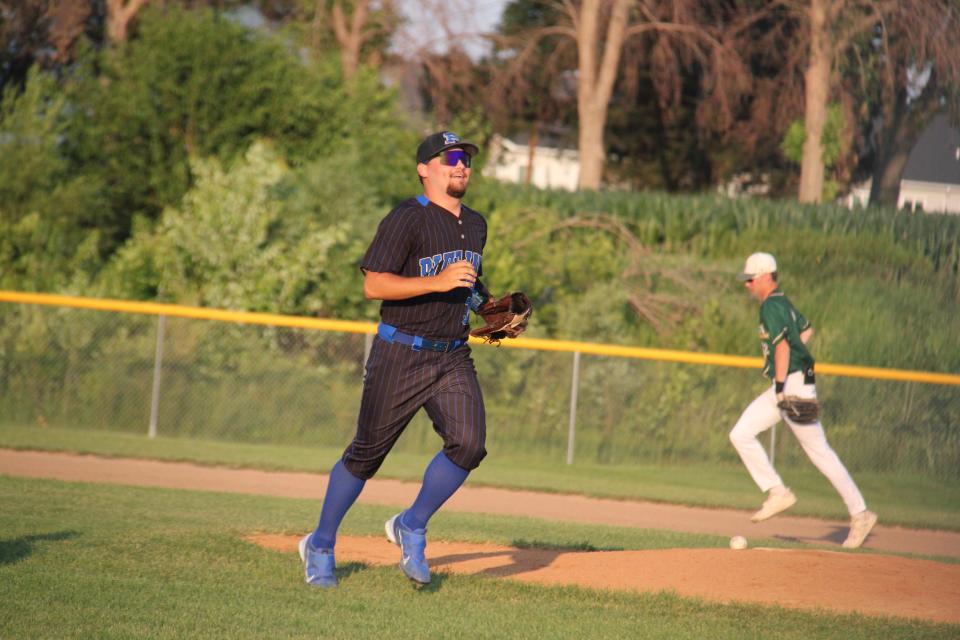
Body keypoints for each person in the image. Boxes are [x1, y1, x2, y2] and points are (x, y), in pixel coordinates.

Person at [299, 131, 496, 587]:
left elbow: (465, 284)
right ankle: (321, 543)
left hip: (452, 356)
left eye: (465, 157)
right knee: (366, 456)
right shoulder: (406, 218)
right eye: (450, 156)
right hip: (401, 352)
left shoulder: (477, 223)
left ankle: (411, 524)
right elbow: (375, 286)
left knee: (469, 445)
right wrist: (437, 283)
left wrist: (488, 308)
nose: (461, 163)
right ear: (424, 168)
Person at [729, 252, 878, 549]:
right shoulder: (782, 302)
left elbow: (783, 346)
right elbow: (806, 330)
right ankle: (777, 492)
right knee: (740, 433)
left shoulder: (772, 306)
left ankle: (860, 514)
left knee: (819, 451)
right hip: (791, 380)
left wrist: (783, 384)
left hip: (792, 384)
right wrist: (787, 372)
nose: (747, 285)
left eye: (750, 279)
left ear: (765, 276)